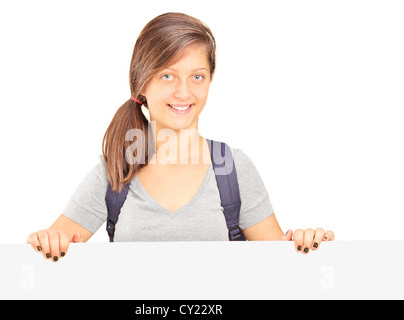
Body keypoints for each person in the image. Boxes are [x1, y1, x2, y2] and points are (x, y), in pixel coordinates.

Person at [26, 12, 334, 262]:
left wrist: (307, 246)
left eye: (197, 76)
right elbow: (52, 249)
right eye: (167, 75)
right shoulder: (114, 172)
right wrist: (46, 242)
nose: (184, 92)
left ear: (210, 80)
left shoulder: (232, 169)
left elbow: (280, 269)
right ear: (141, 84)